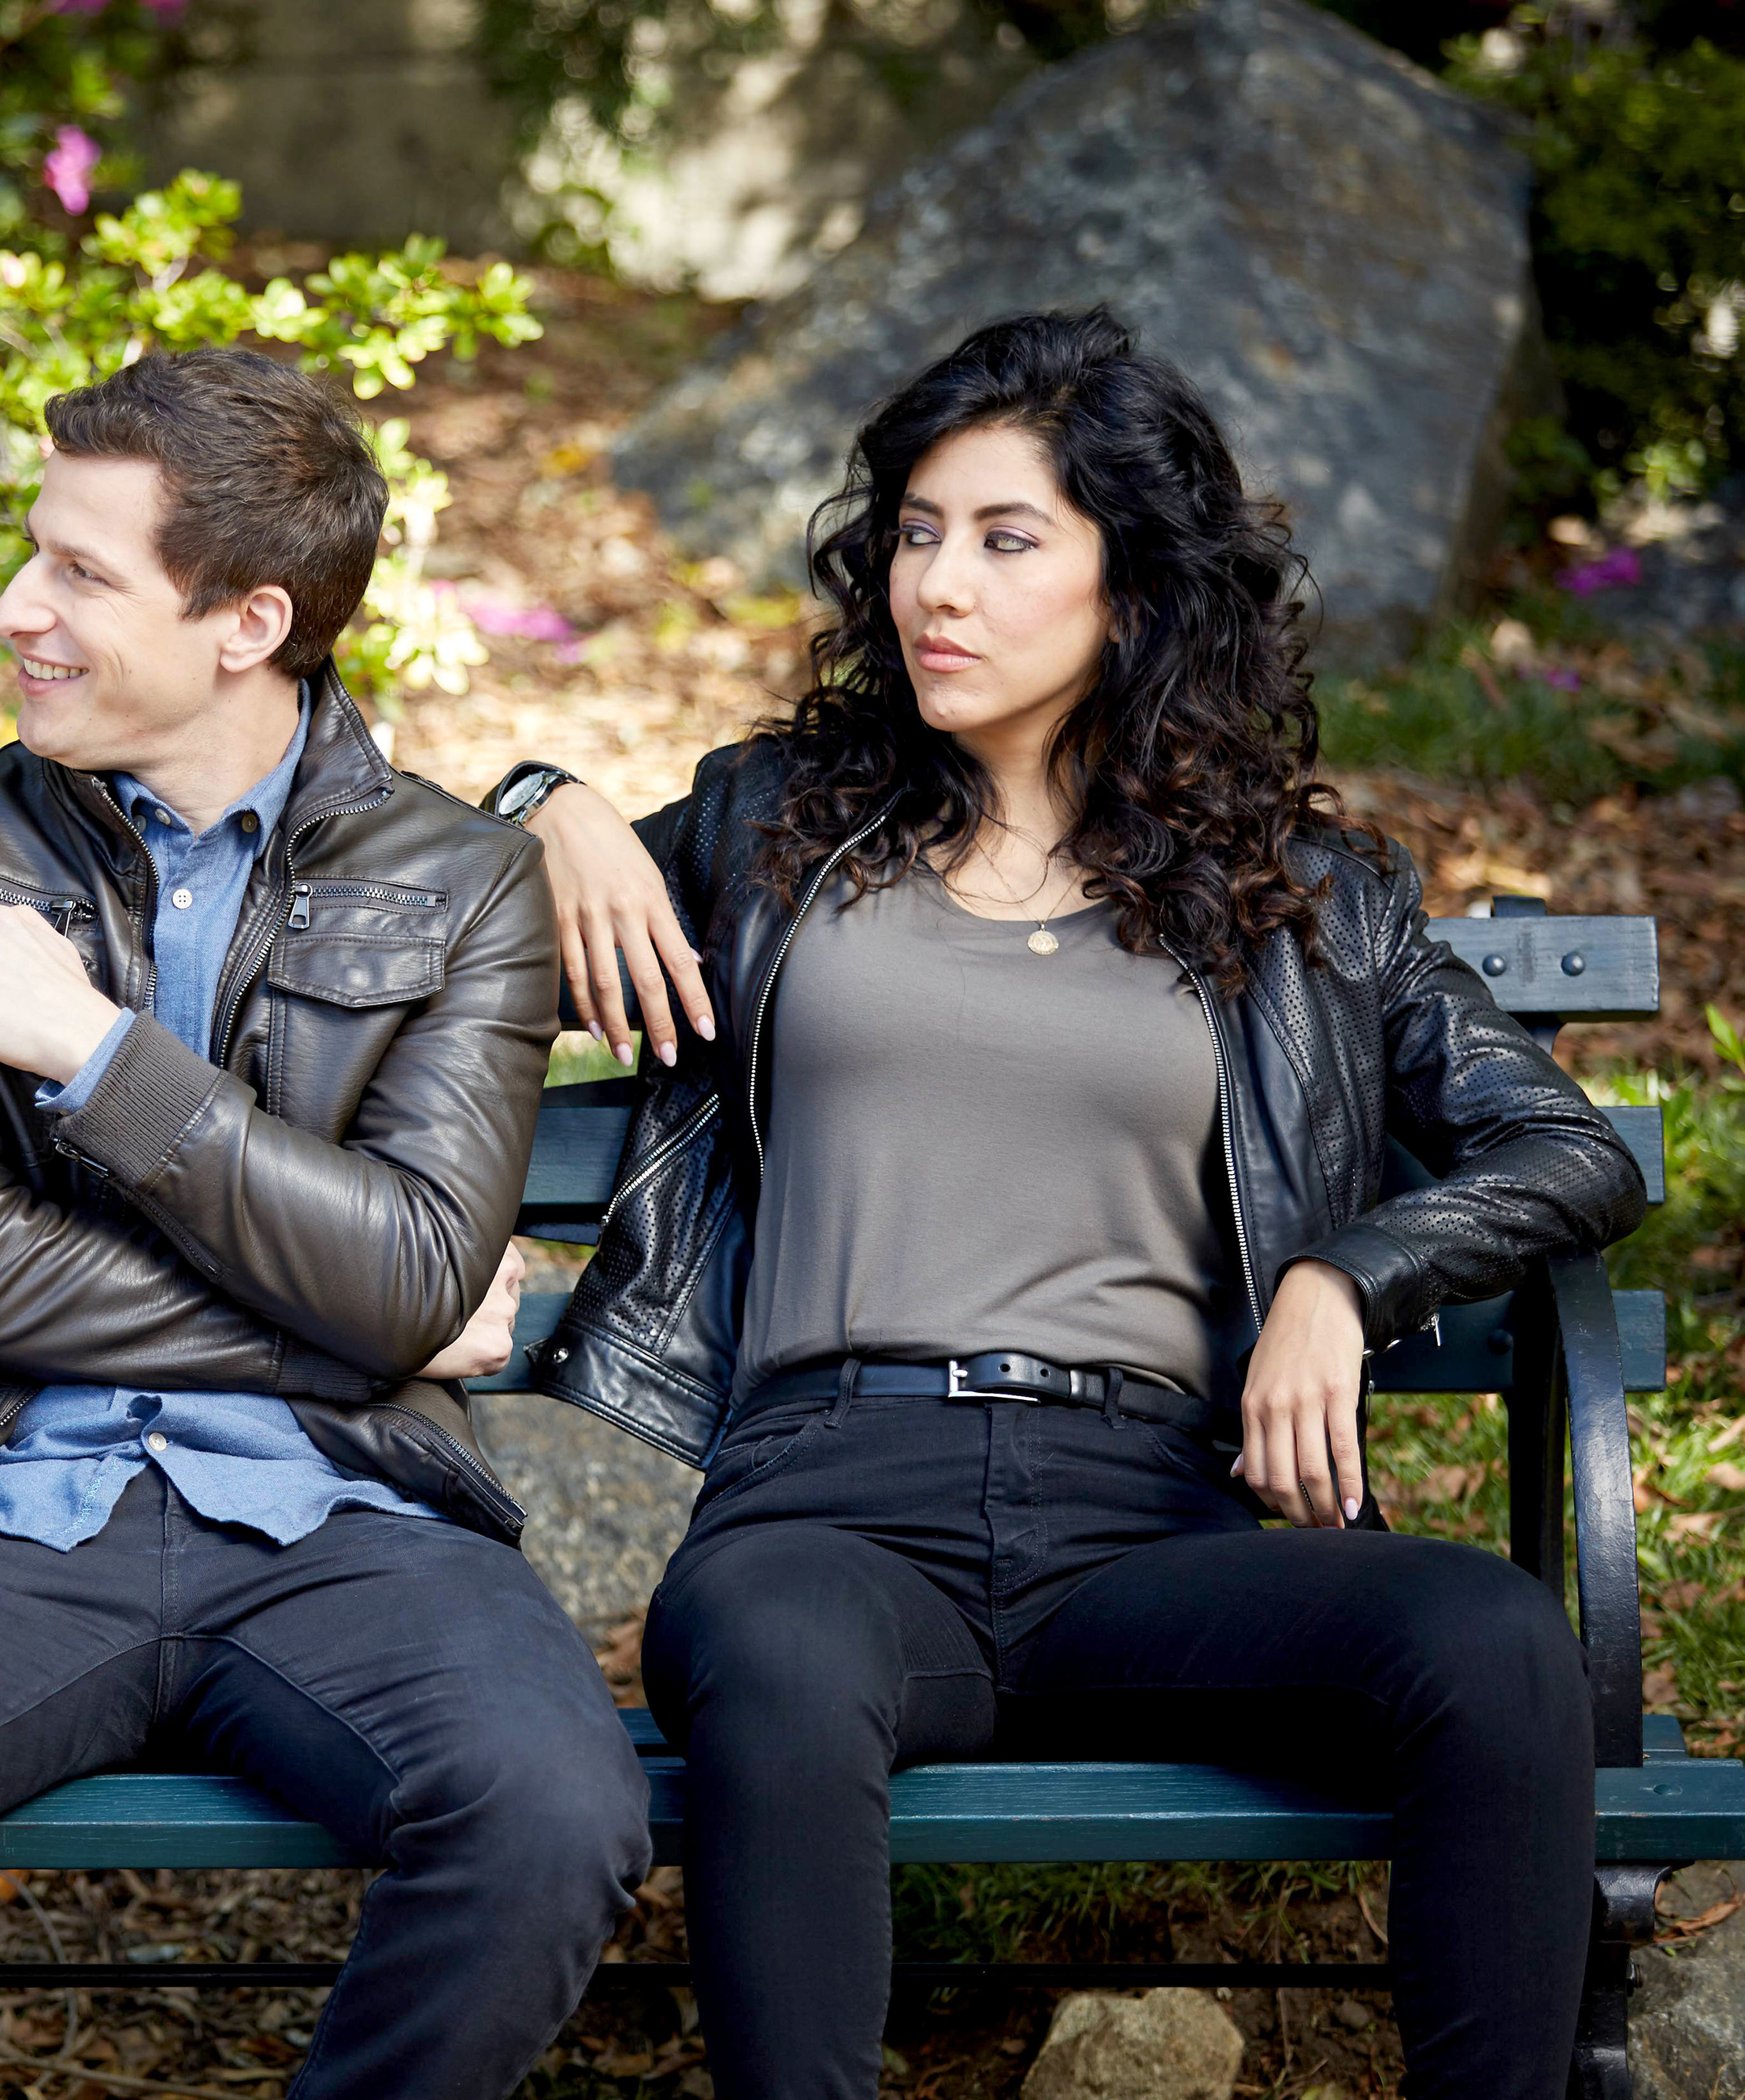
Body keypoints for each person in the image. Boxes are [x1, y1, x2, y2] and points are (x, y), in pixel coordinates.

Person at [479, 308, 1648, 2099]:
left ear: (1135, 586)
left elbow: (1562, 1147)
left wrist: (1344, 1275)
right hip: (826, 1514)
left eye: (1004, 538)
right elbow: (409, 936)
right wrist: (540, 802)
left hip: (1143, 1535)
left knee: (1489, 1640)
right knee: (774, 1658)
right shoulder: (772, 827)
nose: (933, 584)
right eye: (917, 531)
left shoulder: (1301, 900)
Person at [0, 346, 650, 2100]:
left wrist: (96, 1055)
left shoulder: (458, 880)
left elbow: (423, 1257)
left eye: (78, 572)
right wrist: (366, 1310)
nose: (13, 603)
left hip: (352, 1517)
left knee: (551, 1804)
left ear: (246, 622)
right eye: (32, 550)